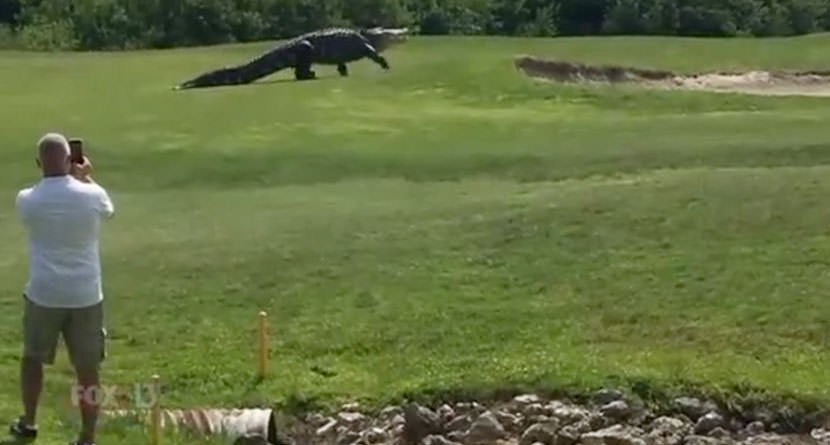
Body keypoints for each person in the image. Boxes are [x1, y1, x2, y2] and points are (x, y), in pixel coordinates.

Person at [9, 132, 115, 445]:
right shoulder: (92, 195)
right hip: (85, 294)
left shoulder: (27, 199)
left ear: (38, 163)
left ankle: (28, 421)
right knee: (88, 368)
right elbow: (108, 210)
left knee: (32, 359)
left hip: (44, 292)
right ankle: (87, 436)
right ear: (71, 159)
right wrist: (85, 179)